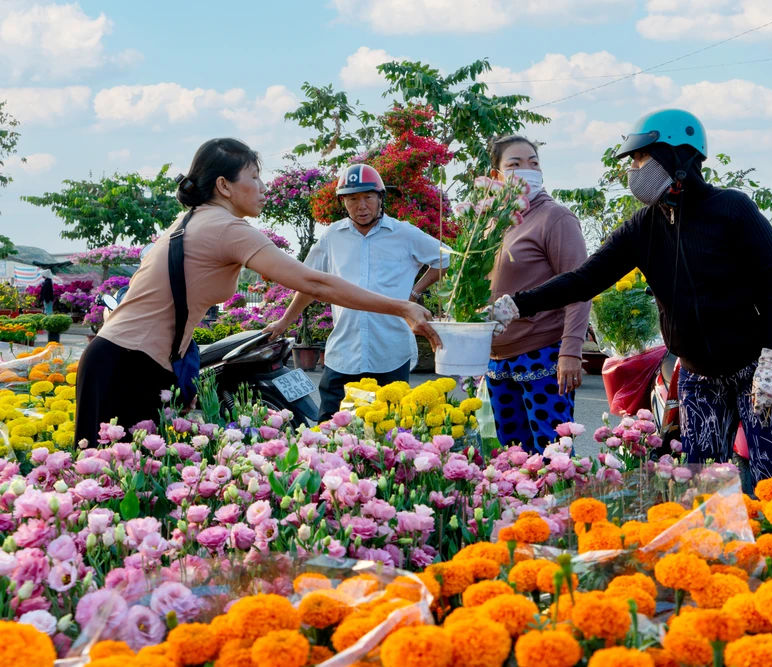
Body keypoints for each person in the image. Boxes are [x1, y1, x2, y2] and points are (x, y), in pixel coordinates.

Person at [490, 109, 772, 485]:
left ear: (678, 155)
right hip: (698, 373)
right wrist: (518, 304)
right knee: (702, 484)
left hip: (757, 367)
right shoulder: (643, 226)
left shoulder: (732, 209)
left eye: (641, 157)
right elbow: (585, 278)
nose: (634, 168)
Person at [77, 139, 440, 446]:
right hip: (127, 365)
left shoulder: (195, 219)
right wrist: (401, 307)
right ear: (224, 185)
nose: (263, 187)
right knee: (113, 490)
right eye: (254, 177)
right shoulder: (226, 228)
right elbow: (313, 282)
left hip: (131, 361)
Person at [264, 163, 449, 422]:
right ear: (343, 202)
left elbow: (447, 259)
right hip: (344, 352)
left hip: (390, 351)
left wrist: (415, 293)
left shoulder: (404, 233)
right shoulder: (332, 236)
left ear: (380, 198)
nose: (361, 206)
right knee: (329, 427)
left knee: (388, 430)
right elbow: (309, 284)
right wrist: (285, 321)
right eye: (352, 199)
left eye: (368, 197)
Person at [486, 136, 590, 453]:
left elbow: (580, 287)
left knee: (552, 454)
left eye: (533, 162)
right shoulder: (492, 222)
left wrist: (571, 351)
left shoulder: (555, 218)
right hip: (497, 360)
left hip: (543, 353)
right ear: (496, 176)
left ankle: (558, 505)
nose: (527, 170)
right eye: (515, 165)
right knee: (513, 455)